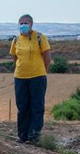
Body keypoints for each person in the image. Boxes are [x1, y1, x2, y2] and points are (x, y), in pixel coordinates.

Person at [10, 14, 51, 144]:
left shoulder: (40, 38)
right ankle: (22, 135)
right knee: (22, 107)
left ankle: (34, 135)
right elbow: (14, 57)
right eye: (20, 23)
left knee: (36, 106)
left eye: (25, 23)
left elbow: (47, 57)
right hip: (20, 77)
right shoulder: (16, 40)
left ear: (31, 24)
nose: (23, 25)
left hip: (37, 77)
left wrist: (41, 70)